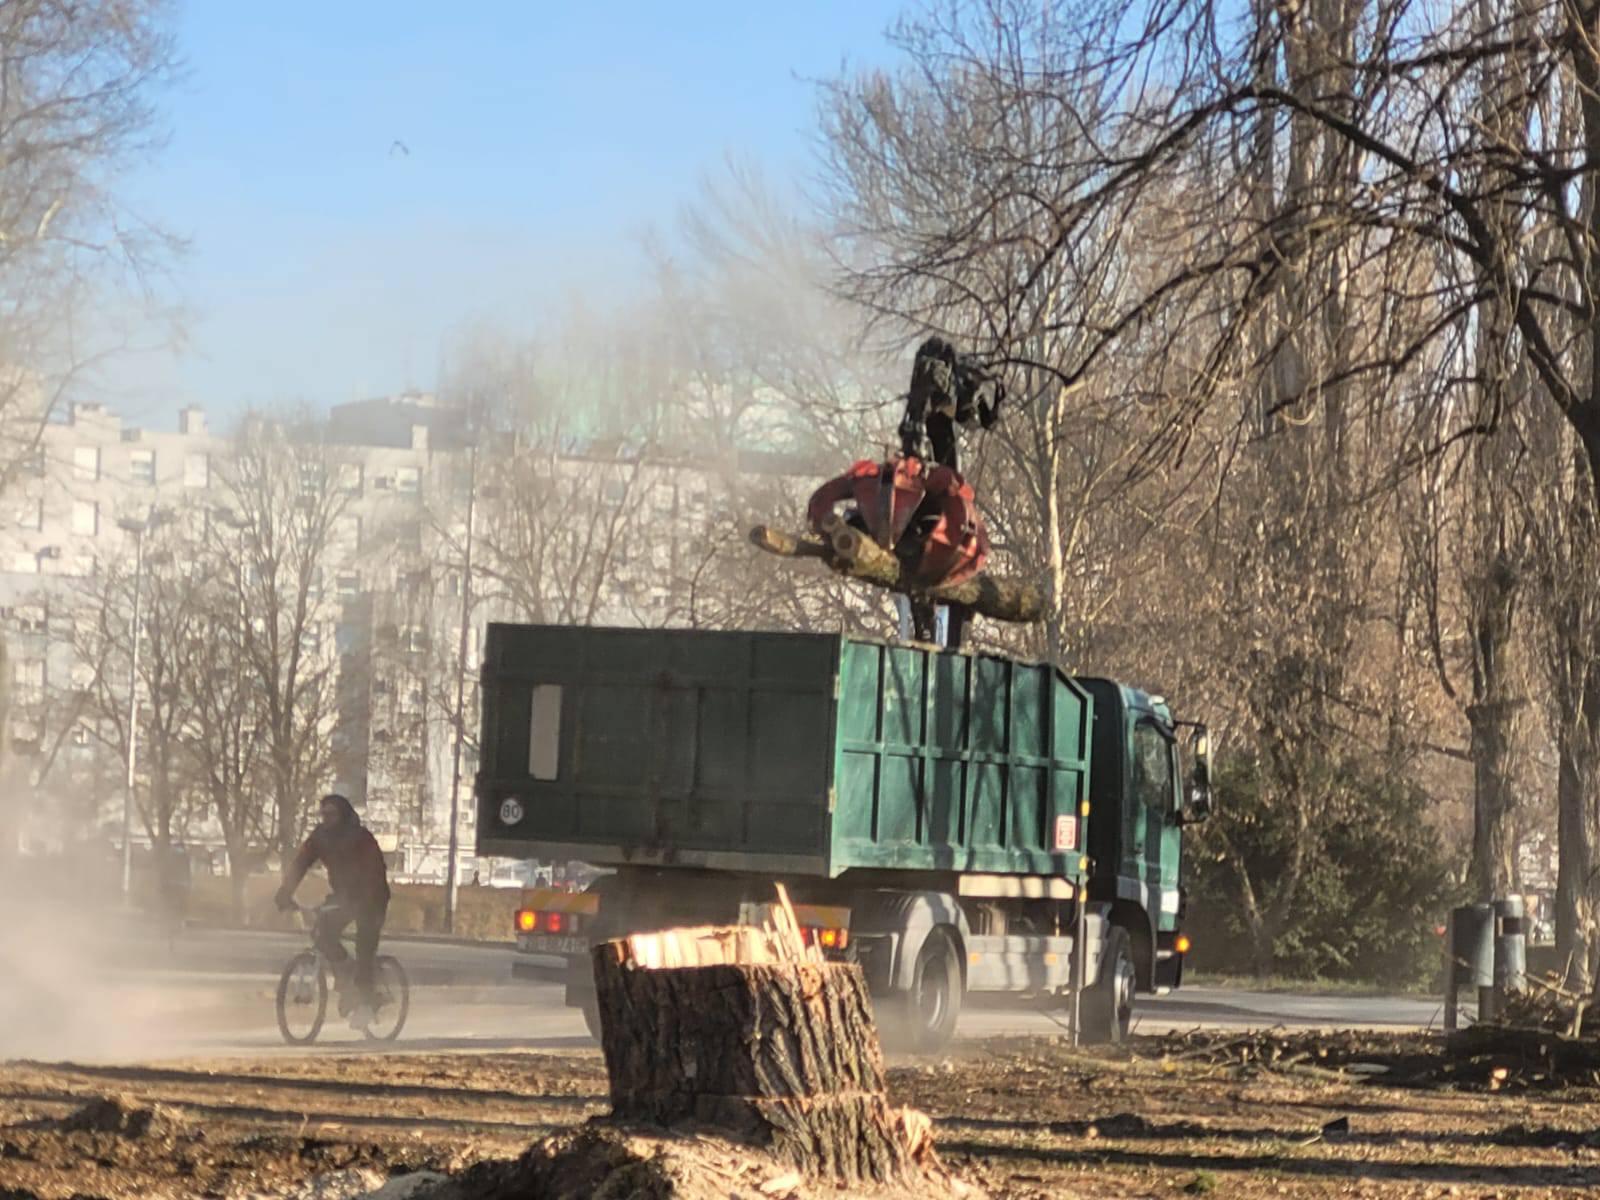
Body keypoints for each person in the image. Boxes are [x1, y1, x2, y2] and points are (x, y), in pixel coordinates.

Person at [275, 793, 391, 1029]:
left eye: (332, 814)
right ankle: (347, 974)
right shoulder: (320, 838)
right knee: (323, 933)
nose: (327, 819)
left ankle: (367, 1004)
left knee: (365, 945)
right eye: (323, 814)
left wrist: (363, 898)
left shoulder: (360, 837)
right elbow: (300, 864)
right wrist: (285, 893)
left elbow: (375, 870)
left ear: (343, 815)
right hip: (344, 896)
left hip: (372, 897)